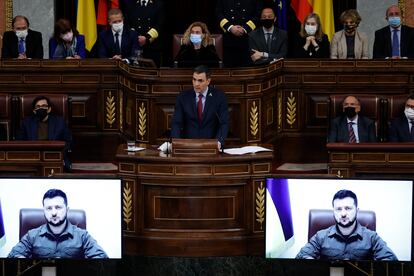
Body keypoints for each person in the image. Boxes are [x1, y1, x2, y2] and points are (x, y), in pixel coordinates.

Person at [296, 189, 398, 260]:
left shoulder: (371, 237)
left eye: (348, 208)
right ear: (333, 212)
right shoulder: (320, 236)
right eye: (338, 209)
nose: (343, 214)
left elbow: (391, 260)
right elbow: (301, 257)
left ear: (357, 210)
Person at [8, 189, 107, 258]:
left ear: (67, 210)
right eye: (49, 208)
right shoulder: (32, 235)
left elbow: (101, 258)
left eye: (58, 207)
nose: (54, 213)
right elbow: (13, 255)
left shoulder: (82, 236)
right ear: (44, 211)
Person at [171, 65, 229, 148]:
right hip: (188, 146)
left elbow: (224, 123)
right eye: (194, 80)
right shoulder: (183, 97)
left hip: (211, 145)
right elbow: (176, 123)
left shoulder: (219, 97)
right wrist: (176, 143)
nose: (196, 84)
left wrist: (219, 142)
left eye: (200, 81)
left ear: (208, 81)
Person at [16, 96, 73, 172]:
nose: (41, 108)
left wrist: (61, 154)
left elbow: (69, 141)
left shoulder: (60, 121)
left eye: (44, 106)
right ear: (34, 110)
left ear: (49, 109)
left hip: (54, 155)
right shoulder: (26, 122)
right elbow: (20, 142)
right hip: (33, 156)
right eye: (38, 106)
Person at [216, 0, 262, 67]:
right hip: (229, 40)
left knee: (247, 71)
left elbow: (258, 14)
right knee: (230, 71)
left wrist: (245, 29)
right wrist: (230, 27)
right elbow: (218, 13)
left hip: (248, 39)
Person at [122, 0, 165, 67]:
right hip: (134, 45)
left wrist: (147, 38)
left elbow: (160, 24)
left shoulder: (159, 3)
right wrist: (136, 37)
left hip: (152, 46)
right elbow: (127, 24)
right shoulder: (129, 3)